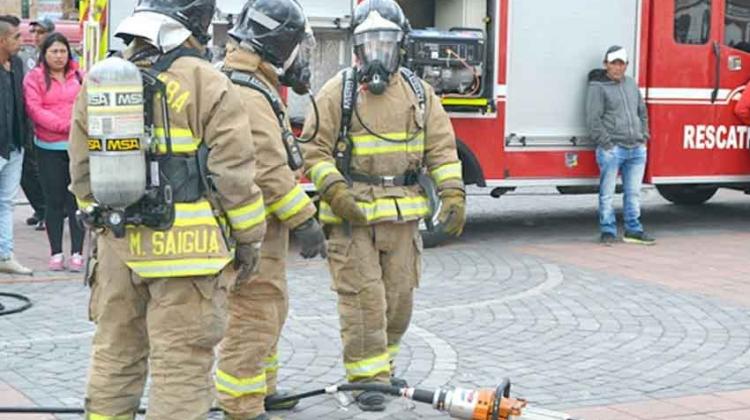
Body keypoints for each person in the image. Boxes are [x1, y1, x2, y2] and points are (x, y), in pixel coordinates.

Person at [68, 0, 266, 418]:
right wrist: (249, 241)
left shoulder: (102, 80)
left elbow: (81, 169)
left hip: (118, 252)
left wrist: (104, 227)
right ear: (197, 20)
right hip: (189, 260)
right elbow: (234, 175)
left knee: (114, 357)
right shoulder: (207, 81)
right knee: (181, 368)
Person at [300, 0, 466, 411]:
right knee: (363, 301)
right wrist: (336, 191)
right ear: (356, 47)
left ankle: (384, 371)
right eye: (368, 43)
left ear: (400, 45)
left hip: (403, 218)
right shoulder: (337, 92)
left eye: (385, 43)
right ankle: (365, 379)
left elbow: (442, 151)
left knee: (399, 301)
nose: (376, 53)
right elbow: (314, 151)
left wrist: (453, 194)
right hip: (352, 219)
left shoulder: (419, 95)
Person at [215, 2, 327, 419]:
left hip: (261, 228)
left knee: (269, 308)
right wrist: (306, 221)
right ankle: (241, 404)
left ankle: (263, 389)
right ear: (278, 42)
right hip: (254, 228)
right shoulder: (247, 92)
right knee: (254, 312)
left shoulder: (248, 82)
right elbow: (267, 168)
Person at [24, 32, 85, 271]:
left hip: (76, 147)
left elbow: (86, 104)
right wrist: (64, 126)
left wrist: (77, 128)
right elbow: (34, 108)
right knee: (54, 201)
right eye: (54, 51)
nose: (59, 56)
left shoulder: (79, 75)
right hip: (48, 147)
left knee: (76, 200)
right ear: (45, 53)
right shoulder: (35, 77)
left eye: (63, 51)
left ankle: (78, 252)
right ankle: (56, 252)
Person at [586, 45, 654, 245]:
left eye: (621, 63)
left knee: (633, 193)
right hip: (613, 149)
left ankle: (633, 229)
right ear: (606, 64)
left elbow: (642, 111)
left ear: (626, 65)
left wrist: (644, 136)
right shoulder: (597, 87)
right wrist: (606, 143)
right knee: (607, 193)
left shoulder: (631, 84)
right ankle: (607, 230)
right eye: (614, 63)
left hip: (636, 148)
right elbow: (593, 118)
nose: (618, 67)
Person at [0, 15, 33, 275]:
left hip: (15, 145)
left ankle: (4, 255)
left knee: (6, 203)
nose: (21, 41)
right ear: (2, 40)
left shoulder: (19, 64)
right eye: (16, 37)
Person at [19, 16, 54, 231]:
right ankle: (41, 208)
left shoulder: (57, 56)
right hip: (28, 118)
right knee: (27, 168)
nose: (36, 36)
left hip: (49, 121)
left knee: (43, 168)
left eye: (41, 32)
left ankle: (48, 210)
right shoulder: (28, 55)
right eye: (34, 32)